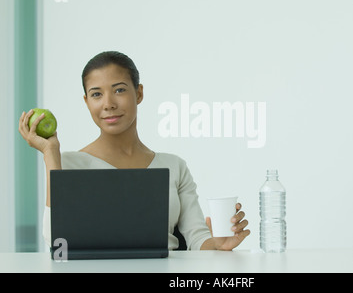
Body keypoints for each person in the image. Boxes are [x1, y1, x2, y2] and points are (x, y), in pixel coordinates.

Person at [18, 51, 250, 251]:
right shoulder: (68, 164)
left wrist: (218, 244)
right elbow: (56, 242)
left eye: (119, 90)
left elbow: (198, 239)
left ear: (138, 93)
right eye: (96, 94)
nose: (108, 103)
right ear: (87, 101)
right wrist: (51, 153)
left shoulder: (174, 166)